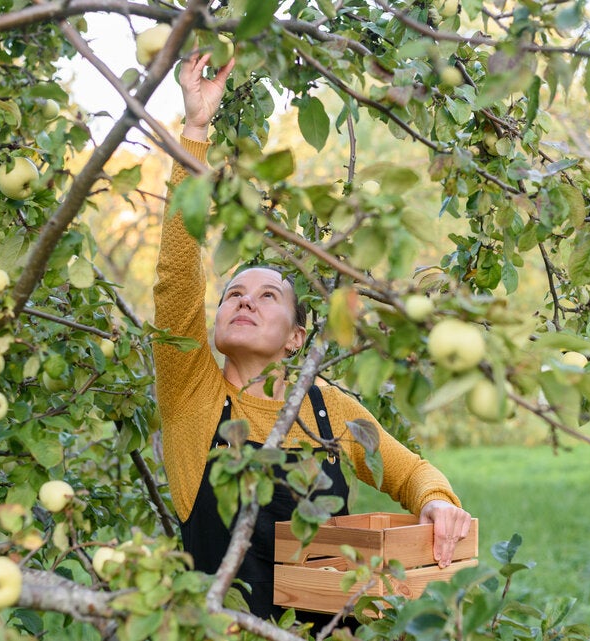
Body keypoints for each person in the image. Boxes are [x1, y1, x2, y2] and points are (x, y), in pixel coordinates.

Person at [153, 51, 472, 622]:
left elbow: (406, 469)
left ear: (298, 338)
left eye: (267, 295)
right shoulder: (191, 393)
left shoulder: (326, 408)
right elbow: (177, 275)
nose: (244, 299)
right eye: (233, 294)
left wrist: (437, 502)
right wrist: (195, 132)